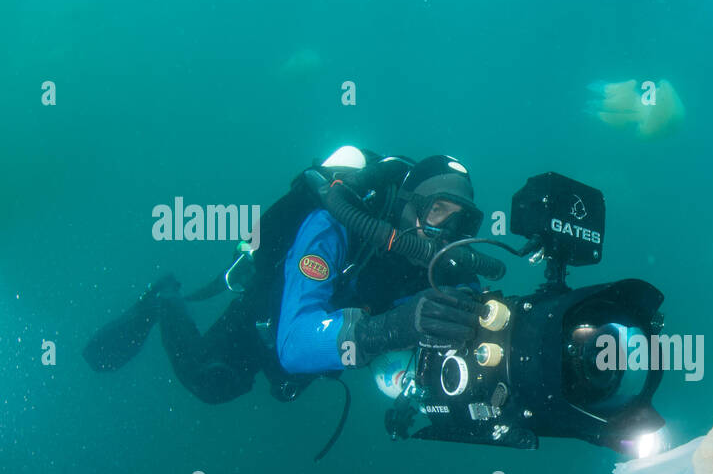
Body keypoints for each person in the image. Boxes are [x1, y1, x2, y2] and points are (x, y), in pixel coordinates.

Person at [84, 152, 486, 413]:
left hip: (339, 331)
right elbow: (294, 344)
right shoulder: (333, 223)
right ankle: (164, 298)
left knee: (285, 382)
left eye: (461, 220)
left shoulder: (439, 262)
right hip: (274, 310)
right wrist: (396, 326)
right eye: (437, 211)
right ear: (407, 205)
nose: (447, 231)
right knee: (212, 381)